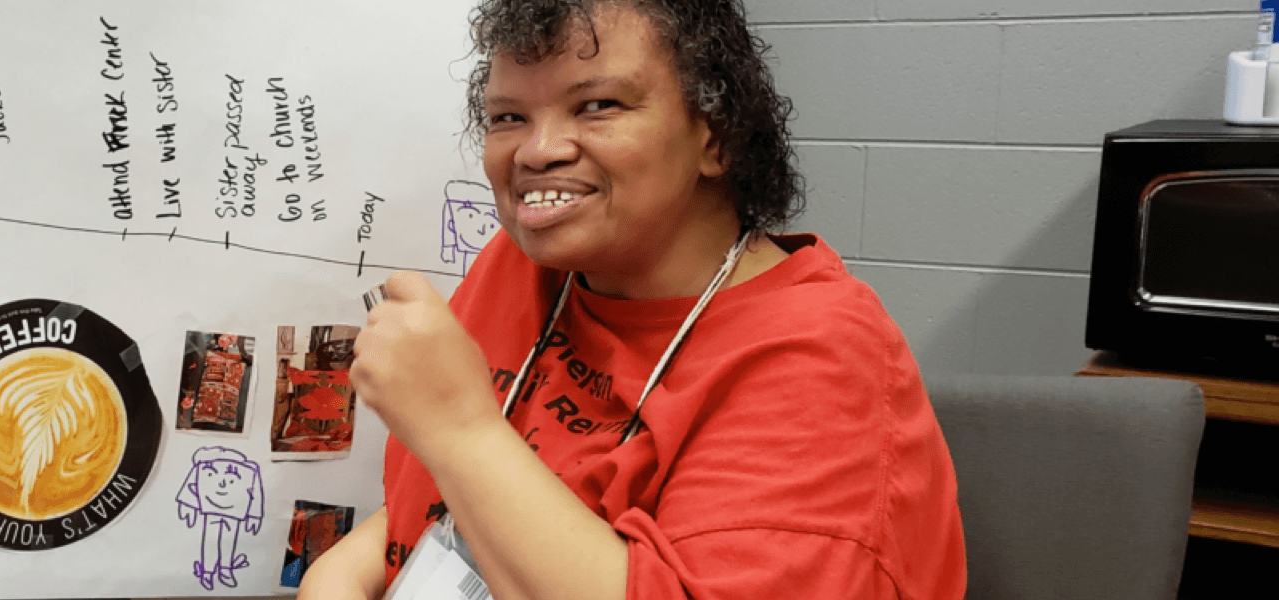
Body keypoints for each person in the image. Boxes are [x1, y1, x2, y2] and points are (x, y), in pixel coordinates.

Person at [305, 1, 966, 599]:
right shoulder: (523, 268)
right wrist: (341, 572)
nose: (537, 151)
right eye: (509, 117)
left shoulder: (822, 357)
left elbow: (464, 452)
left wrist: (458, 427)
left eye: (598, 107)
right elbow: (444, 506)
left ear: (716, 136)